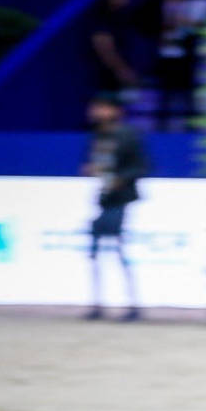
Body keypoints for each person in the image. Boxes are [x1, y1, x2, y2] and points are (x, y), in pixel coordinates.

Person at [81, 93, 147, 320]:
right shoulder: (98, 136)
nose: (96, 112)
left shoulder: (128, 135)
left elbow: (141, 166)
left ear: (115, 110)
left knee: (120, 251)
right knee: (96, 252)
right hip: (104, 199)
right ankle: (98, 303)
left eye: (102, 107)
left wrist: (121, 179)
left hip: (122, 200)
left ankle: (132, 304)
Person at [139, 0, 206, 131]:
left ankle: (192, 131)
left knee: (190, 99)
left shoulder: (196, 0)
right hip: (163, 60)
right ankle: (160, 132)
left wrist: (190, 24)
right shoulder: (153, 4)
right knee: (163, 100)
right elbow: (143, 26)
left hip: (187, 59)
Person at [89, 0, 142, 100]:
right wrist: (121, 70)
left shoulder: (122, 18)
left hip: (121, 81)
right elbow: (103, 47)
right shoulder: (102, 19)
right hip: (105, 81)